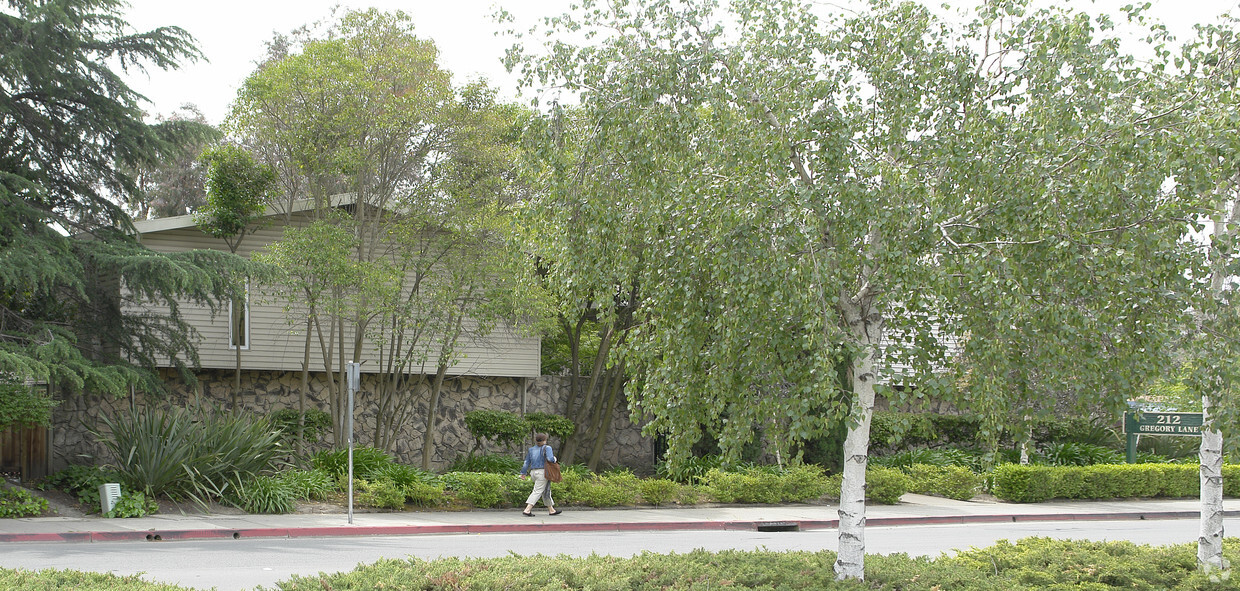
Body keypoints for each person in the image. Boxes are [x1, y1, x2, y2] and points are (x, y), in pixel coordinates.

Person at [518, 432, 562, 516]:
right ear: (545, 440)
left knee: (545, 490)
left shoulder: (531, 449)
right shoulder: (547, 448)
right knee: (537, 491)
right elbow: (550, 459)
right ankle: (527, 510)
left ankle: (551, 510)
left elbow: (526, 462)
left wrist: (523, 473)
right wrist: (554, 459)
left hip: (533, 473)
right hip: (542, 473)